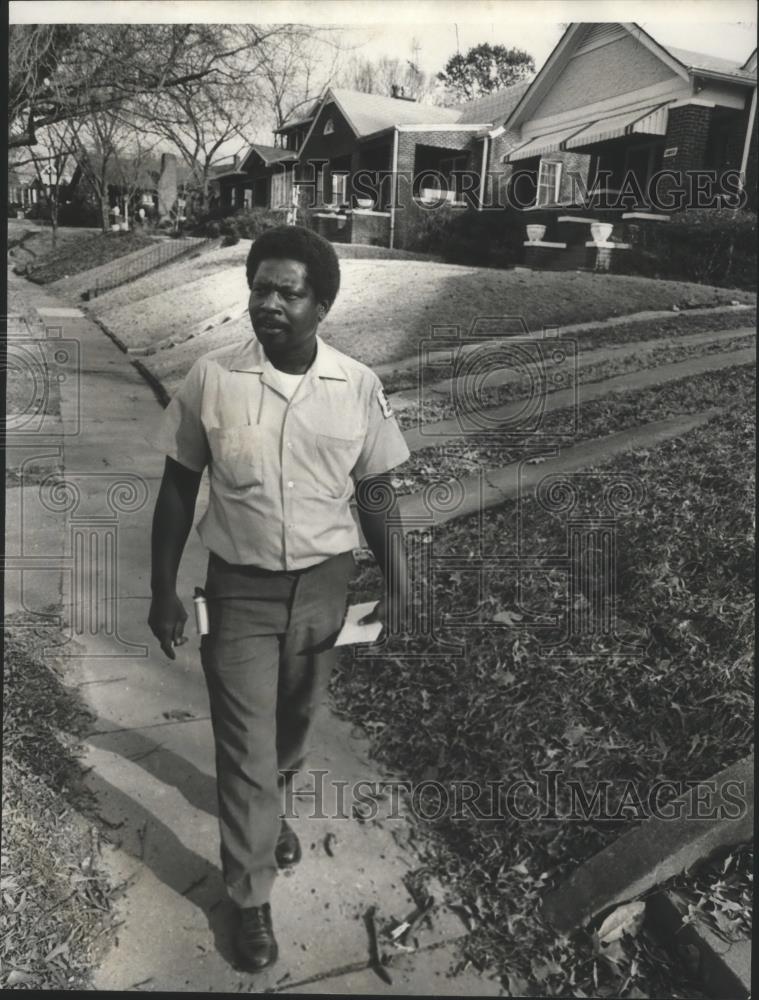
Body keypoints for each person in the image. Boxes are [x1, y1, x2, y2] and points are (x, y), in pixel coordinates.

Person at [147, 225, 411, 972]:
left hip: (325, 590)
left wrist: (400, 582)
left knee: (294, 725)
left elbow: (377, 492)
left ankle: (268, 812)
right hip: (237, 592)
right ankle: (250, 894)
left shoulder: (356, 385)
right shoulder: (211, 380)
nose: (267, 303)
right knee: (244, 747)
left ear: (320, 305)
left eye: (286, 292)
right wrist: (161, 588)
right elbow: (176, 490)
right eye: (258, 288)